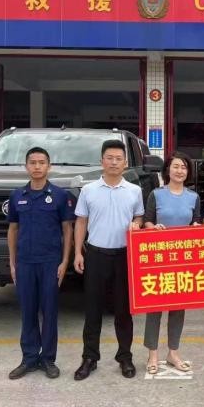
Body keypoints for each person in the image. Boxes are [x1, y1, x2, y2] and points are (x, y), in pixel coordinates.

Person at [73, 139, 144, 380]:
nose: (114, 162)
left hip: (124, 256)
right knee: (92, 309)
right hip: (95, 254)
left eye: (118, 158)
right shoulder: (89, 190)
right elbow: (81, 222)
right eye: (109, 158)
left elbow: (139, 217)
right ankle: (89, 357)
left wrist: (137, 223)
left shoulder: (134, 191)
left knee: (124, 310)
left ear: (125, 163)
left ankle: (125, 357)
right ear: (102, 161)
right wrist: (77, 253)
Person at [7, 146, 74, 380]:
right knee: (27, 312)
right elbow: (13, 230)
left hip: (49, 262)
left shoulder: (59, 195)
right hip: (25, 263)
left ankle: (48, 359)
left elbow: (67, 230)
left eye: (41, 162)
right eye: (32, 162)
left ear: (49, 166)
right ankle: (28, 358)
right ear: (26, 166)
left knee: (49, 312)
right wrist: (13, 263)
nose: (37, 166)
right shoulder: (17, 196)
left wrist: (64, 262)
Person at [143, 152, 202, 375]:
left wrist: (196, 226)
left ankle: (173, 352)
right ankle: (153, 354)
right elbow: (148, 220)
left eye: (184, 167)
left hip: (183, 259)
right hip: (159, 258)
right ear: (168, 170)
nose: (180, 171)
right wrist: (151, 228)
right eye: (176, 166)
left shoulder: (193, 197)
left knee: (178, 308)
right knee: (154, 307)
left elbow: (196, 220)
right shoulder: (156, 195)